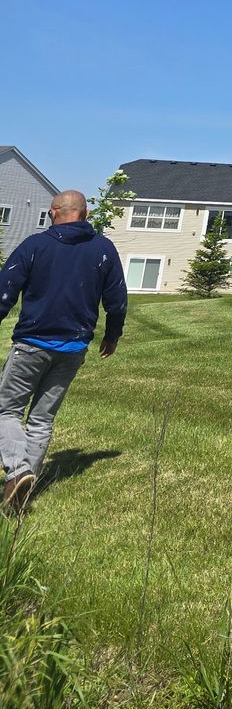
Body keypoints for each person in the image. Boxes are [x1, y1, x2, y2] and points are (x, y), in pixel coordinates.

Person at [0, 188, 127, 511]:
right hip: (73, 347)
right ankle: (21, 494)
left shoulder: (35, 245)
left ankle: (18, 471)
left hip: (31, 343)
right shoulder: (104, 249)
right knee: (42, 419)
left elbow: (5, 291)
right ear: (84, 215)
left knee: (7, 410)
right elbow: (117, 300)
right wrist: (112, 335)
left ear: (54, 212)